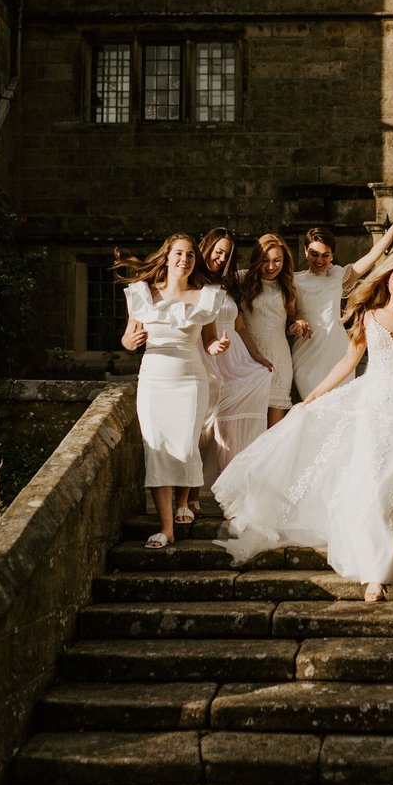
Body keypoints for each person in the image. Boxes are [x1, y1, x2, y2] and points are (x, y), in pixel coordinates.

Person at [213, 251, 393, 601]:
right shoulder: (370, 316)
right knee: (380, 486)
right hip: (374, 407)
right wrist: (315, 395)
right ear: (387, 281)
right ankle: (377, 572)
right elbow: (348, 359)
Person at [116, 233, 229, 549]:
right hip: (154, 379)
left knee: (185, 442)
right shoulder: (144, 294)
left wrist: (216, 345)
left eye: (191, 255)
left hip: (191, 379)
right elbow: (128, 337)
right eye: (179, 254)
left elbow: (208, 339)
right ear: (166, 257)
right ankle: (166, 527)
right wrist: (130, 342)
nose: (185, 259)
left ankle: (184, 501)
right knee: (157, 447)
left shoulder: (206, 296)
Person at [291, 201, 393, 400]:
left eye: (325, 255)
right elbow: (290, 312)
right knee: (312, 406)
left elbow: (372, 257)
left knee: (340, 405)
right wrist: (297, 320)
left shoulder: (338, 276)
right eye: (314, 254)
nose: (320, 260)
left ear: (332, 256)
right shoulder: (294, 280)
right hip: (307, 352)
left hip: (337, 350)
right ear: (306, 251)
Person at [192, 228, 272, 503]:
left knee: (258, 380)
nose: (221, 258)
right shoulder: (195, 281)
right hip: (209, 353)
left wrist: (257, 355)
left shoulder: (228, 285)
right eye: (218, 251)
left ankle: (239, 479)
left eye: (226, 254)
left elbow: (239, 325)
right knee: (211, 417)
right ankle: (206, 483)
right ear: (207, 248)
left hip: (235, 353)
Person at [239, 233, 310, 428]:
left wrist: (298, 324)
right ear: (257, 260)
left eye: (277, 260)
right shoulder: (241, 279)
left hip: (278, 361)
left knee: (273, 431)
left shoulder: (288, 286)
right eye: (265, 261)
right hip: (247, 359)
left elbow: (290, 319)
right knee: (247, 426)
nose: (271, 267)